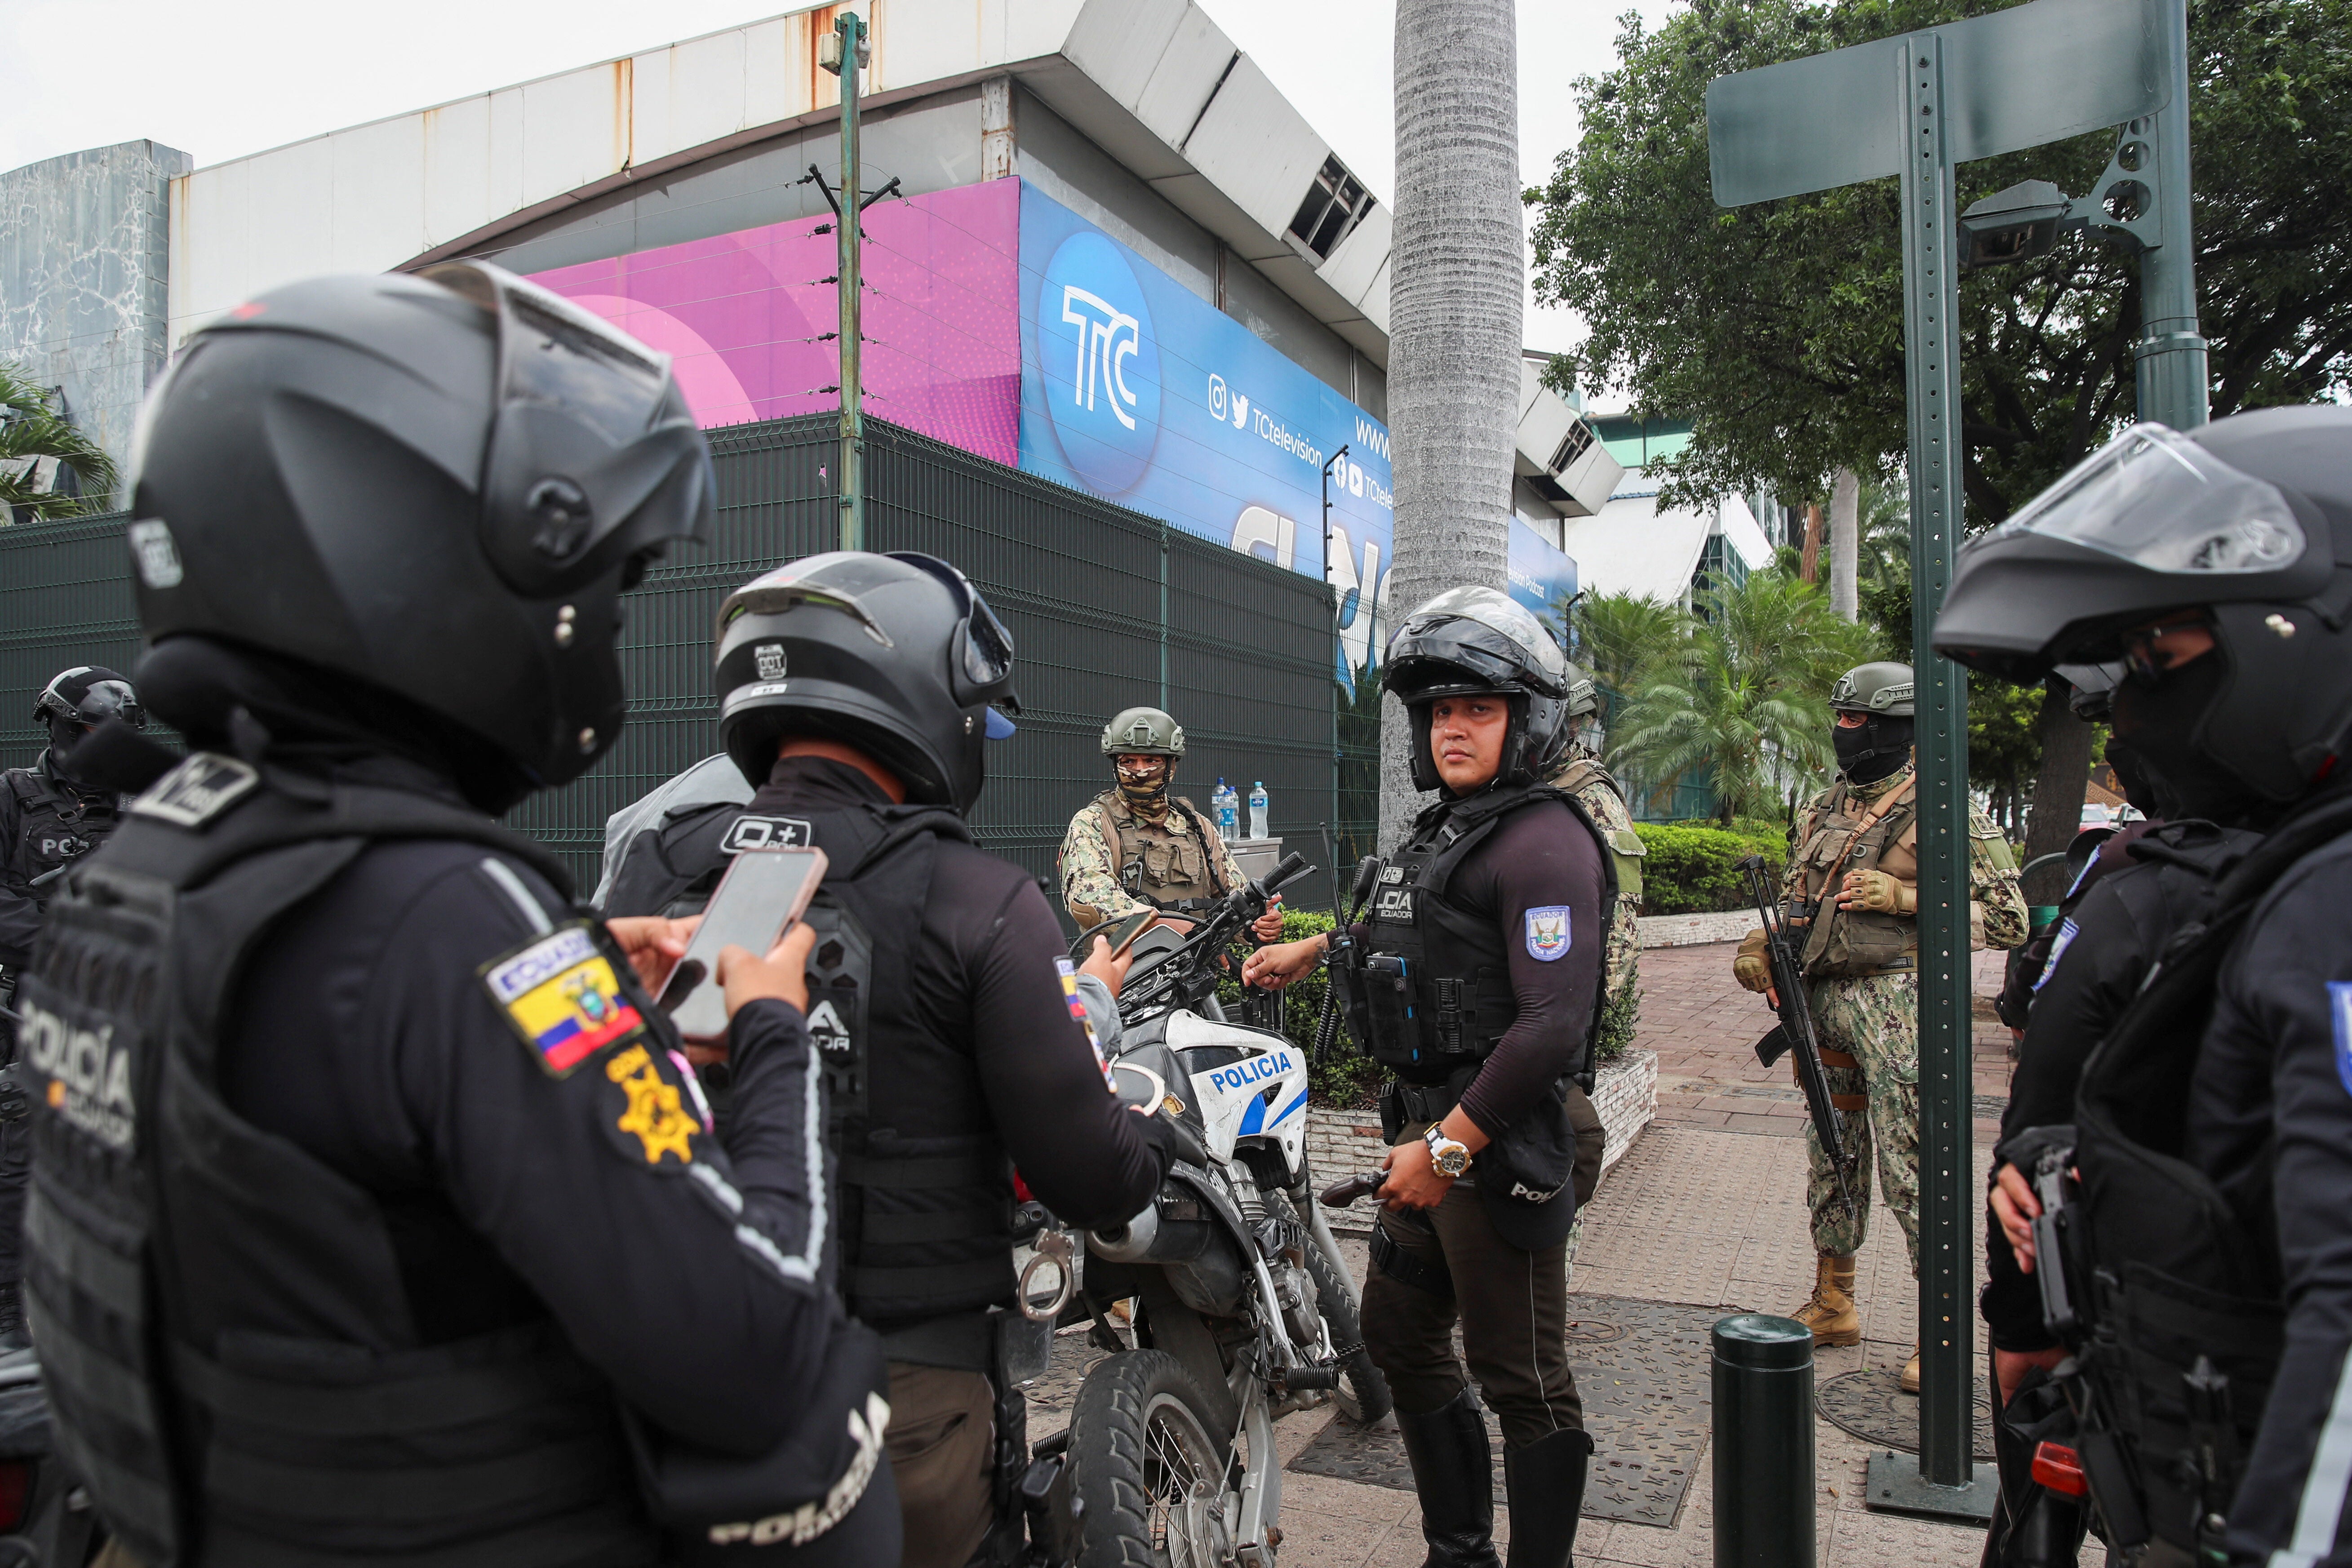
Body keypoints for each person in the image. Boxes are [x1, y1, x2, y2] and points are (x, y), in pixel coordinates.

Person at [14, 263, 901, 1567]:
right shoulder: (451, 915)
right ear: (413, 563)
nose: (600, 623)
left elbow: (309, 1094)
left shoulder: (155, 856)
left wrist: (590, 962)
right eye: (601, 588)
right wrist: (773, 1033)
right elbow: (759, 1348)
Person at [601, 551, 1177, 1568]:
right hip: (896, 1408)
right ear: (925, 701)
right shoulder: (979, 899)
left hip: (660, 1383)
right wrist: (1152, 1135)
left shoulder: (659, 862)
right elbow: (1086, 1172)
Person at [1933, 407, 2352, 1568]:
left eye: (2163, 661)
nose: (2126, 709)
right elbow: (2241, 1181)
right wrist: (2065, 1168)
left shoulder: (2330, 911)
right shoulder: (2275, 886)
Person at [1247, 585, 1615, 1568]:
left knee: (1523, 1376)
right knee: (1399, 1333)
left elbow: (1552, 1024)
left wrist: (1450, 1149)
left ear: (1525, 720)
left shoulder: (1543, 842)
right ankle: (1460, 1551)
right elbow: (1416, 936)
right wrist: (1319, 945)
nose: (1452, 728)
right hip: (1428, 1133)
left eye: (1476, 710)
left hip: (1497, 1138)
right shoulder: (1450, 826)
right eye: (1437, 711)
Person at [1731, 661, 2027, 1393]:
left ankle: (1944, 1330)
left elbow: (2007, 918)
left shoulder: (1945, 808)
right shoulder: (1828, 802)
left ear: (1898, 727)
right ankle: (1833, 1297)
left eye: (1859, 721)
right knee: (1830, 1154)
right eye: (1841, 718)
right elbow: (1803, 899)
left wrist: (1904, 894)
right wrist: (1757, 946)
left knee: (1911, 1162)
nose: (1844, 731)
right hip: (1821, 1003)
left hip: (1900, 1012)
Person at [0, 666, 144, 1351]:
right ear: (55, 726)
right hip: (43, 1007)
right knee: (22, 1161)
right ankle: (9, 1326)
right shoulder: (13, 799)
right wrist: (64, 941)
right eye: (85, 731)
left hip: (137, 1010)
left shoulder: (154, 807)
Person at [1058, 706, 1285, 942]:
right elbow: (1088, 897)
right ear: (1115, 764)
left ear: (1171, 765)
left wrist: (1259, 923)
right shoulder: (1094, 823)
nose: (1140, 770)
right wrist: (1166, 928)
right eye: (1128, 761)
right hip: (1125, 975)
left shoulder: (1199, 827)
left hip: (1195, 974)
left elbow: (1234, 898)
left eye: (1151, 760)